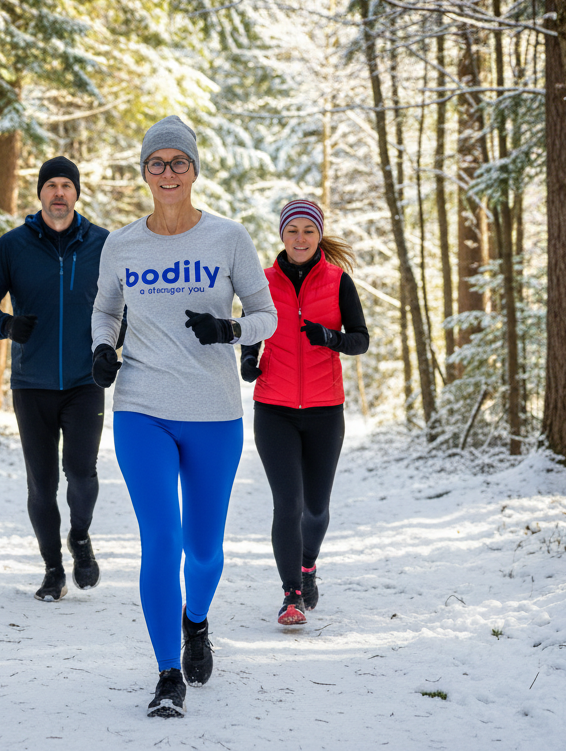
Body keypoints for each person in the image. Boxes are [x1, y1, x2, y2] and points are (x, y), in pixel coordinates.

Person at [90, 116, 276, 718]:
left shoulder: (227, 238)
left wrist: (231, 330)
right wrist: (101, 348)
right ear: (143, 172)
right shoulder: (121, 244)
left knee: (203, 550)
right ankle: (168, 671)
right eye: (156, 163)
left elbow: (267, 314)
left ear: (194, 170)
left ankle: (196, 621)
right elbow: (105, 309)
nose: (167, 173)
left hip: (214, 411)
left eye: (178, 162)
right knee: (161, 541)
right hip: (141, 407)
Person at [0, 156, 113, 603]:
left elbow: (123, 304)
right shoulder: (13, 246)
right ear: (40, 194)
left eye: (65, 186)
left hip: (84, 379)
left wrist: (112, 345)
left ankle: (81, 537)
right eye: (50, 185)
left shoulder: (103, 244)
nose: (58, 193)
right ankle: (53, 570)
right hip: (31, 382)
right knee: (42, 481)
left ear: (76, 193)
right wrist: (8, 326)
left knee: (82, 473)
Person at [240, 199, 368, 626]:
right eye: (292, 230)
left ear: (318, 236)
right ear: (282, 235)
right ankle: (291, 594)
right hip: (274, 408)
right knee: (288, 504)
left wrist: (329, 337)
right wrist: (247, 360)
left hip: (325, 410)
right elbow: (251, 330)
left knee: (316, 507)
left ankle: (308, 567)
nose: (300, 238)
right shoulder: (263, 281)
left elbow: (360, 340)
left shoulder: (337, 281)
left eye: (308, 231)